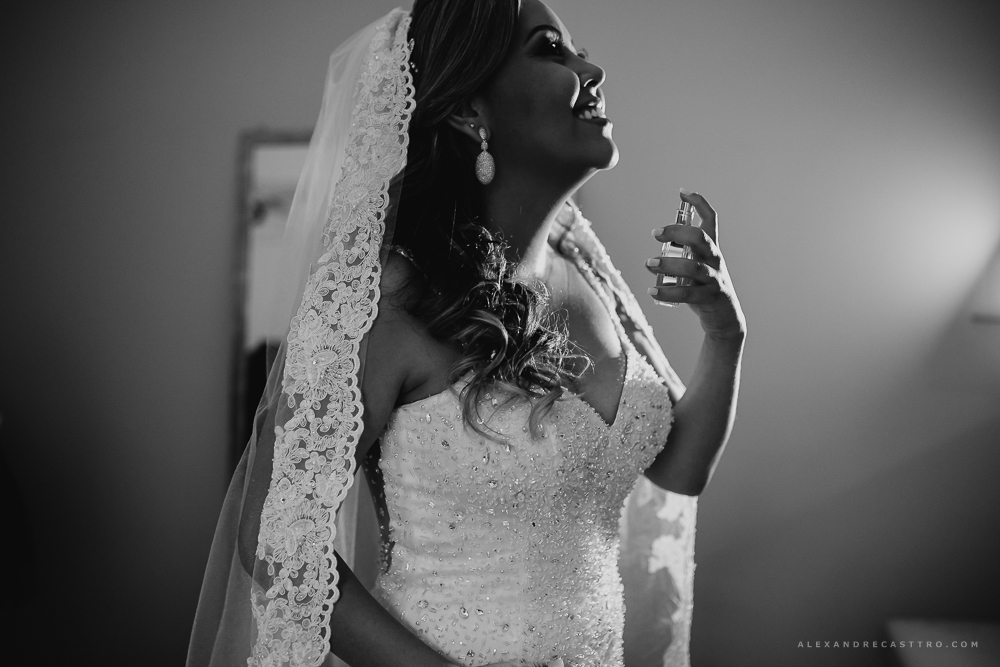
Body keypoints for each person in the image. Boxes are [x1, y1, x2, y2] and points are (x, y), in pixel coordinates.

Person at [187, 1, 745, 666]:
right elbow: (275, 533)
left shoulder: (586, 270)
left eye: (577, 50)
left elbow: (680, 466)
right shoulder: (396, 299)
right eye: (551, 50)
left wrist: (724, 330)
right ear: (467, 110)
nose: (591, 70)